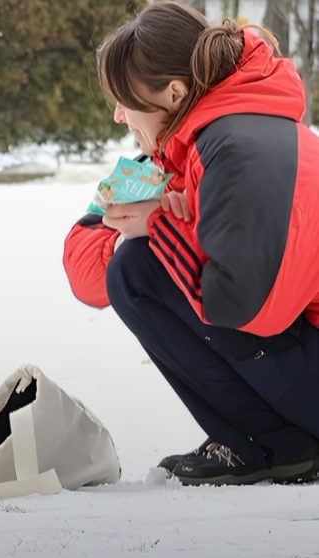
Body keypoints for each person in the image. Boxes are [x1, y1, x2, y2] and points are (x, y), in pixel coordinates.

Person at [63, 2, 319, 486]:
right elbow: (92, 282)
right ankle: (263, 439)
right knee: (134, 269)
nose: (119, 115)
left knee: (138, 267)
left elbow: (248, 306)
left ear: (175, 92)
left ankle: (275, 445)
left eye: (124, 99)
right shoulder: (192, 147)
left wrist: (160, 228)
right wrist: (114, 215)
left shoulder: (240, 150)